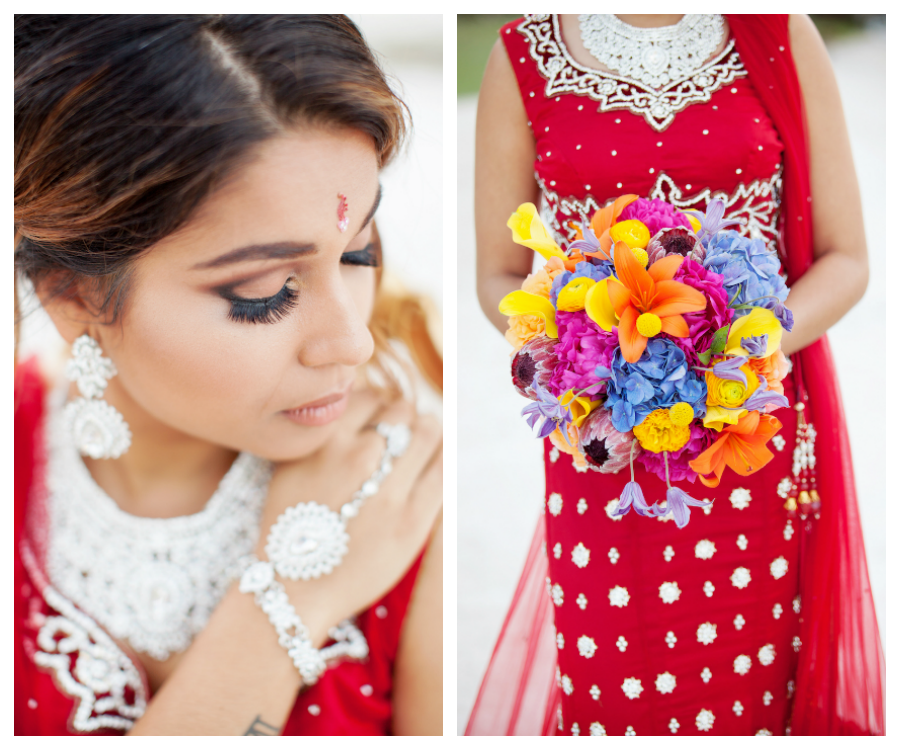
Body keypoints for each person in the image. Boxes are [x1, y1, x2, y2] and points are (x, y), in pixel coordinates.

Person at [14, 15, 443, 736]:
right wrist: (281, 608)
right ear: (74, 295)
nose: (352, 343)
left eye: (358, 252)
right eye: (265, 293)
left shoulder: (411, 497)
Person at [470, 14, 884, 736]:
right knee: (615, 686)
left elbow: (847, 259)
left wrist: (738, 353)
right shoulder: (523, 53)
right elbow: (498, 275)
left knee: (754, 681)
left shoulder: (779, 32)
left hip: (750, 430)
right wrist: (579, 360)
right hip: (604, 443)